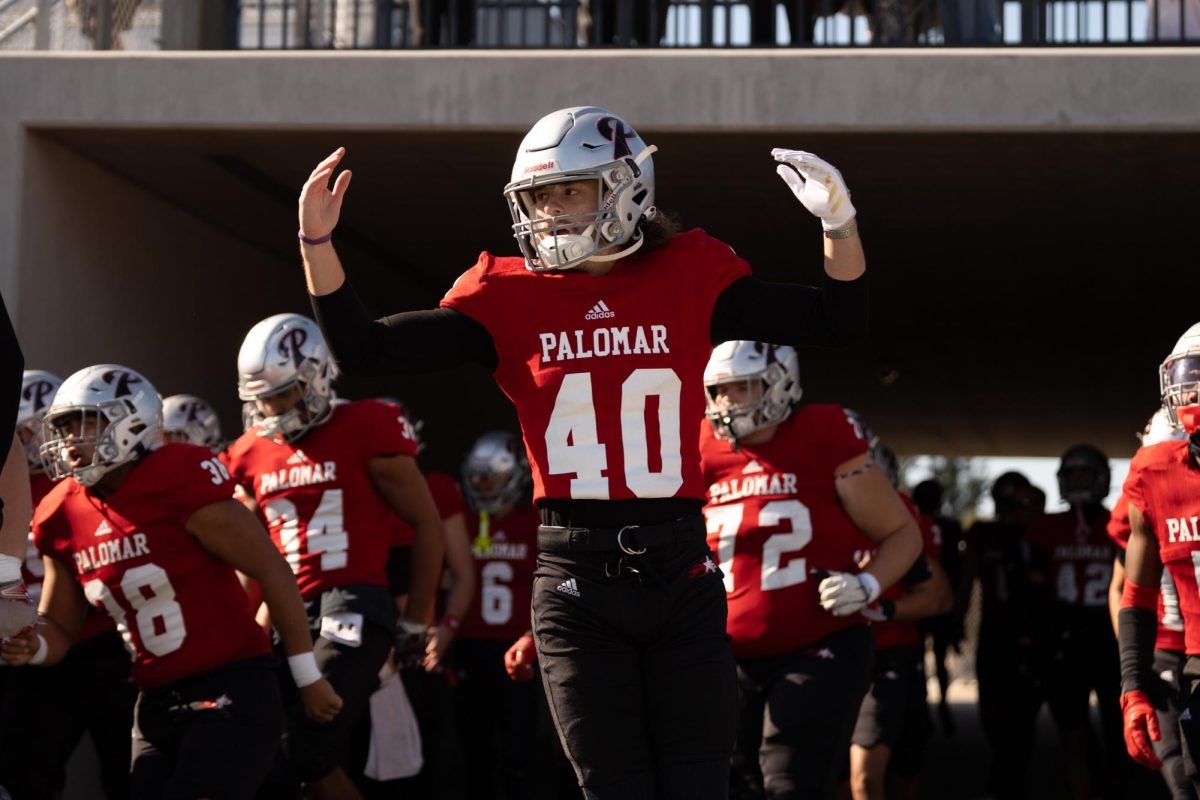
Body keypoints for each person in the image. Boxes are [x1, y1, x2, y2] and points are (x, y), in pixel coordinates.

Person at [298, 105, 869, 798]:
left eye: (569, 190)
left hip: (679, 567)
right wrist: (316, 242)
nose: (550, 211)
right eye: (538, 196)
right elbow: (365, 349)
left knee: (698, 785)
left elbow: (838, 319)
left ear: (626, 187)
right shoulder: (506, 293)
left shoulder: (691, 270)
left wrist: (839, 227)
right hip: (574, 574)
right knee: (613, 788)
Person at [0, 363, 341, 799]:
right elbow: (62, 625)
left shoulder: (178, 479)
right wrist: (33, 644)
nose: (68, 443)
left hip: (230, 685)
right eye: (62, 430)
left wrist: (306, 674)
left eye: (81, 426)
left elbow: (271, 569)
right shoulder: (61, 513)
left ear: (132, 420)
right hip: (155, 699)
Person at [222, 313, 446, 800]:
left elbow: (427, 525)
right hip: (286, 611)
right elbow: (253, 558)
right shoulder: (247, 452)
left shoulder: (366, 425)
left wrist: (415, 621)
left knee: (307, 748)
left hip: (353, 602)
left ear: (318, 375)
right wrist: (244, 630)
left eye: (285, 393)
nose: (274, 408)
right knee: (269, 751)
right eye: (264, 397)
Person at [699, 341, 921, 798]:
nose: (726, 403)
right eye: (719, 391)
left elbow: (903, 533)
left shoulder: (824, 432)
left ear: (780, 385)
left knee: (790, 781)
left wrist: (867, 583)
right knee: (733, 784)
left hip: (818, 644)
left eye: (740, 388)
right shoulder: (702, 447)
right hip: (726, 653)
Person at [0, 369, 134, 800]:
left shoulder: (85, 482)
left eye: (40, 430)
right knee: (27, 768)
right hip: (30, 644)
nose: (32, 443)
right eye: (21, 432)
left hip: (103, 638)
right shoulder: (24, 487)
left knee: (127, 767)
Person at [1120, 323, 1200, 789]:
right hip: (1195, 663)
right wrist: (1133, 685)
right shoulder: (1154, 472)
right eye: (1191, 374)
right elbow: (1137, 593)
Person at [848, 442, 953, 800]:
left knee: (893, 766)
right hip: (831, 654)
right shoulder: (817, 511)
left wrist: (883, 609)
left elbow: (939, 595)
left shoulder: (903, 516)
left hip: (891, 653)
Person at [452, 430, 544, 798]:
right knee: (475, 750)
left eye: (492, 477)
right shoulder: (462, 523)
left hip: (517, 647)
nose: (484, 486)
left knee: (518, 747)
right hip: (470, 646)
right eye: (478, 478)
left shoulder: (534, 521)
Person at [1029, 444, 1124, 800]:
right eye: (1073, 474)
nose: (1080, 481)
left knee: (1121, 730)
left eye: (1086, 473)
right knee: (1073, 734)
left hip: (1109, 633)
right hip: (1063, 636)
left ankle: (1113, 785)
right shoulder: (1045, 527)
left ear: (1101, 478)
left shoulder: (1119, 522)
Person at [1107, 407, 1191, 800]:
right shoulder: (1140, 497)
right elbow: (1126, 588)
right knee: (1179, 771)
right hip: (1166, 647)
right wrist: (1134, 668)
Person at [958, 471, 1050, 799]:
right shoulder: (985, 533)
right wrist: (957, 621)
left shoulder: (1044, 536)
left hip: (1035, 634)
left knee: (1024, 713)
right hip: (996, 632)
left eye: (1027, 503)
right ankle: (1003, 770)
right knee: (992, 710)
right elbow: (968, 579)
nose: (1020, 510)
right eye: (1013, 502)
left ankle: (1011, 779)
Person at [912, 477, 964, 736]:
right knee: (927, 659)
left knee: (933, 659)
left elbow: (955, 565)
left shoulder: (941, 527)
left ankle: (937, 707)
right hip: (929, 600)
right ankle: (931, 708)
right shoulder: (941, 526)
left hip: (930, 599)